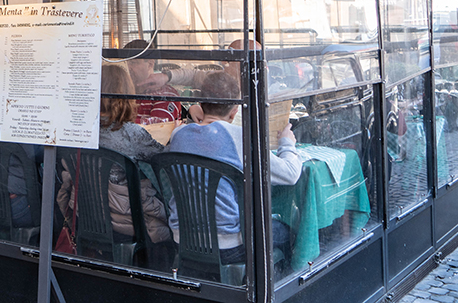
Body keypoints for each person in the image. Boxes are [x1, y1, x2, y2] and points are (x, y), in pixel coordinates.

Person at [167, 70, 301, 269]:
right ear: (234, 112)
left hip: (182, 238)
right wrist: (287, 143)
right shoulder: (241, 137)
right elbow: (291, 174)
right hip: (229, 245)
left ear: (201, 104)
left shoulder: (178, 134)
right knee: (290, 230)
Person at [57, 64, 173, 248]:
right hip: (127, 223)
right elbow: (167, 161)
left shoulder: (76, 129)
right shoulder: (132, 134)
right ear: (127, 94)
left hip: (83, 215)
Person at [123, 39, 181, 124]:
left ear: (150, 64)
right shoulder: (122, 91)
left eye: (133, 62)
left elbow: (157, 128)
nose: (128, 68)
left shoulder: (166, 95)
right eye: (124, 63)